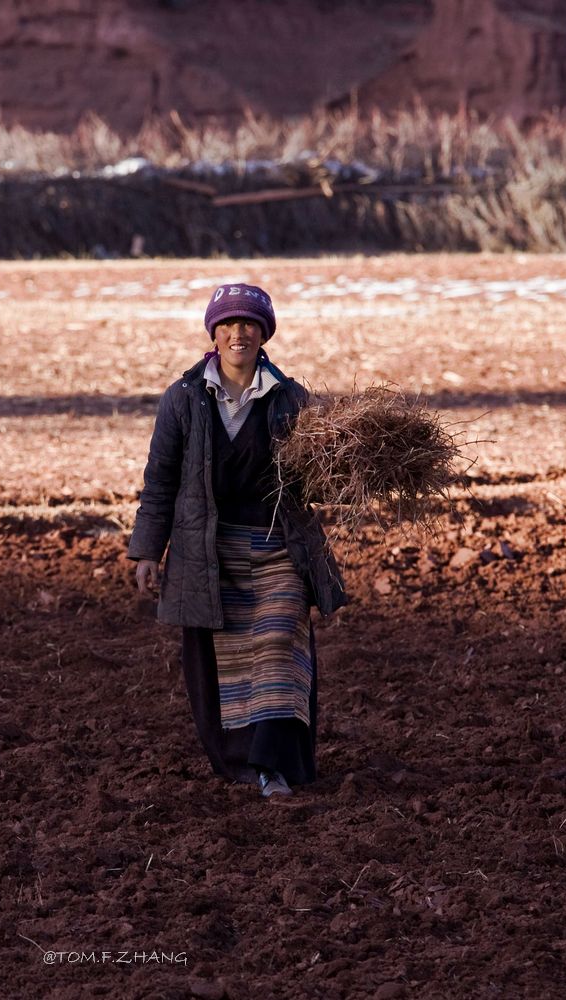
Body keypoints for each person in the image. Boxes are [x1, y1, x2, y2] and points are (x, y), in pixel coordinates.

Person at [128, 283, 348, 797]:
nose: (238, 333)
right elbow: (159, 479)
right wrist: (145, 550)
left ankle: (275, 765)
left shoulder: (291, 399)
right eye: (227, 324)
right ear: (214, 333)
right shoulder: (182, 399)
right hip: (208, 554)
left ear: (264, 332)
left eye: (249, 323)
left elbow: (314, 481)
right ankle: (241, 766)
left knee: (278, 647)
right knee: (220, 664)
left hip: (277, 548)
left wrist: (348, 460)